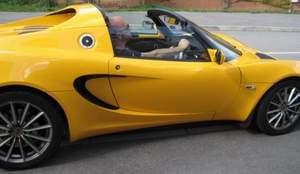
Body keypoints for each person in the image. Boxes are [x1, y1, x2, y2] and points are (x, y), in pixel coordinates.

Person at [109, 16, 190, 59]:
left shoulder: (124, 45)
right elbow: (155, 54)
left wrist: (170, 50)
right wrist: (180, 48)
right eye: (127, 27)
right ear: (119, 35)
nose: (129, 28)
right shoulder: (121, 52)